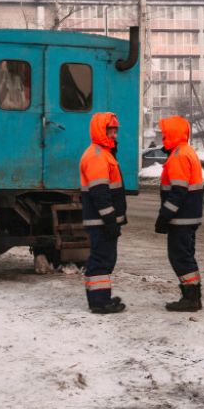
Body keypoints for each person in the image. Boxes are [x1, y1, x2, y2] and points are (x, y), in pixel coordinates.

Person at [154, 115, 204, 311]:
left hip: (181, 219)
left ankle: (191, 299)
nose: (162, 138)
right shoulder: (186, 151)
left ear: (172, 134)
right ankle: (193, 296)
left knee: (180, 257)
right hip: (189, 217)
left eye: (164, 134)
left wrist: (164, 216)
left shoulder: (178, 156)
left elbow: (178, 192)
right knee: (186, 256)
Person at [79, 112, 127, 314]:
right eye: (111, 131)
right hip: (101, 221)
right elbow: (100, 194)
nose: (115, 135)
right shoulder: (97, 156)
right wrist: (110, 220)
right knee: (101, 259)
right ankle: (99, 302)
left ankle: (101, 298)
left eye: (116, 131)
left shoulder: (103, 154)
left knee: (104, 258)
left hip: (102, 220)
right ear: (101, 131)